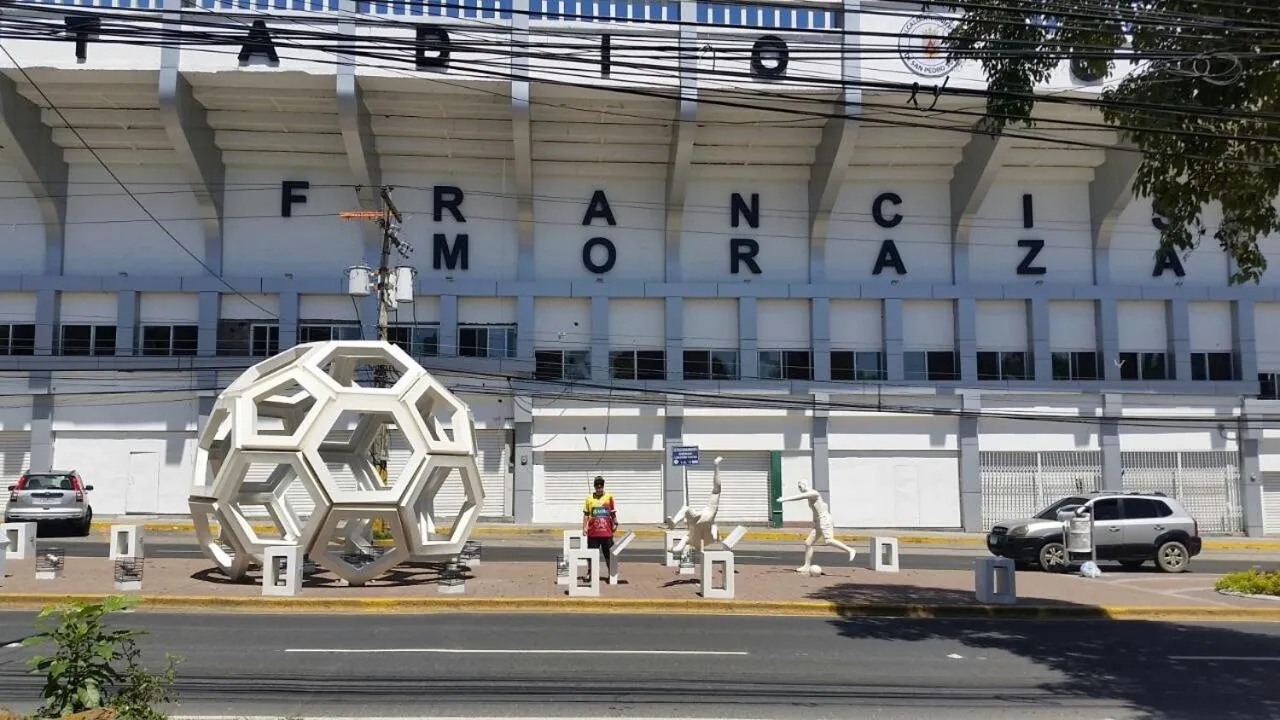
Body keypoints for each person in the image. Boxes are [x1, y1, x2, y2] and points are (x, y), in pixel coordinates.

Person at [777, 478, 856, 573]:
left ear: (805, 485)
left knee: (829, 540)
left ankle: (850, 550)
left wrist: (784, 499)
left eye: (800, 485)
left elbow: (801, 497)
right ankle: (806, 566)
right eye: (798, 486)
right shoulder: (811, 496)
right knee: (808, 543)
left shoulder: (814, 493)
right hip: (819, 522)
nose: (799, 488)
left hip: (825, 520)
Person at [582, 475, 619, 578]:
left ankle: (611, 574)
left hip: (606, 532)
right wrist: (584, 528)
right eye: (597, 485)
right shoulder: (589, 498)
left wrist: (616, 522)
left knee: (609, 554)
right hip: (593, 533)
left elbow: (612, 512)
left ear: (603, 486)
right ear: (594, 486)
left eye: (601, 485)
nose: (599, 487)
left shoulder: (609, 497)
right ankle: (590, 573)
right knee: (591, 555)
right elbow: (585, 514)